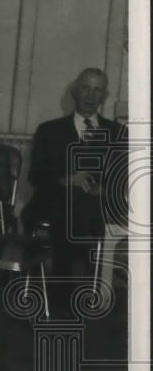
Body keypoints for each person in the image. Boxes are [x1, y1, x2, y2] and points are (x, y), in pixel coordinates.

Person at [23, 68, 128, 278]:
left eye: (97, 90)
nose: (90, 95)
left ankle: (68, 276)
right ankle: (83, 273)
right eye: (85, 88)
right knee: (73, 200)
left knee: (80, 206)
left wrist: (103, 188)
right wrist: (68, 180)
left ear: (104, 96)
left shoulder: (118, 133)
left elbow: (125, 177)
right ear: (75, 91)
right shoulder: (49, 130)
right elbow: (36, 176)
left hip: (99, 205)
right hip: (55, 202)